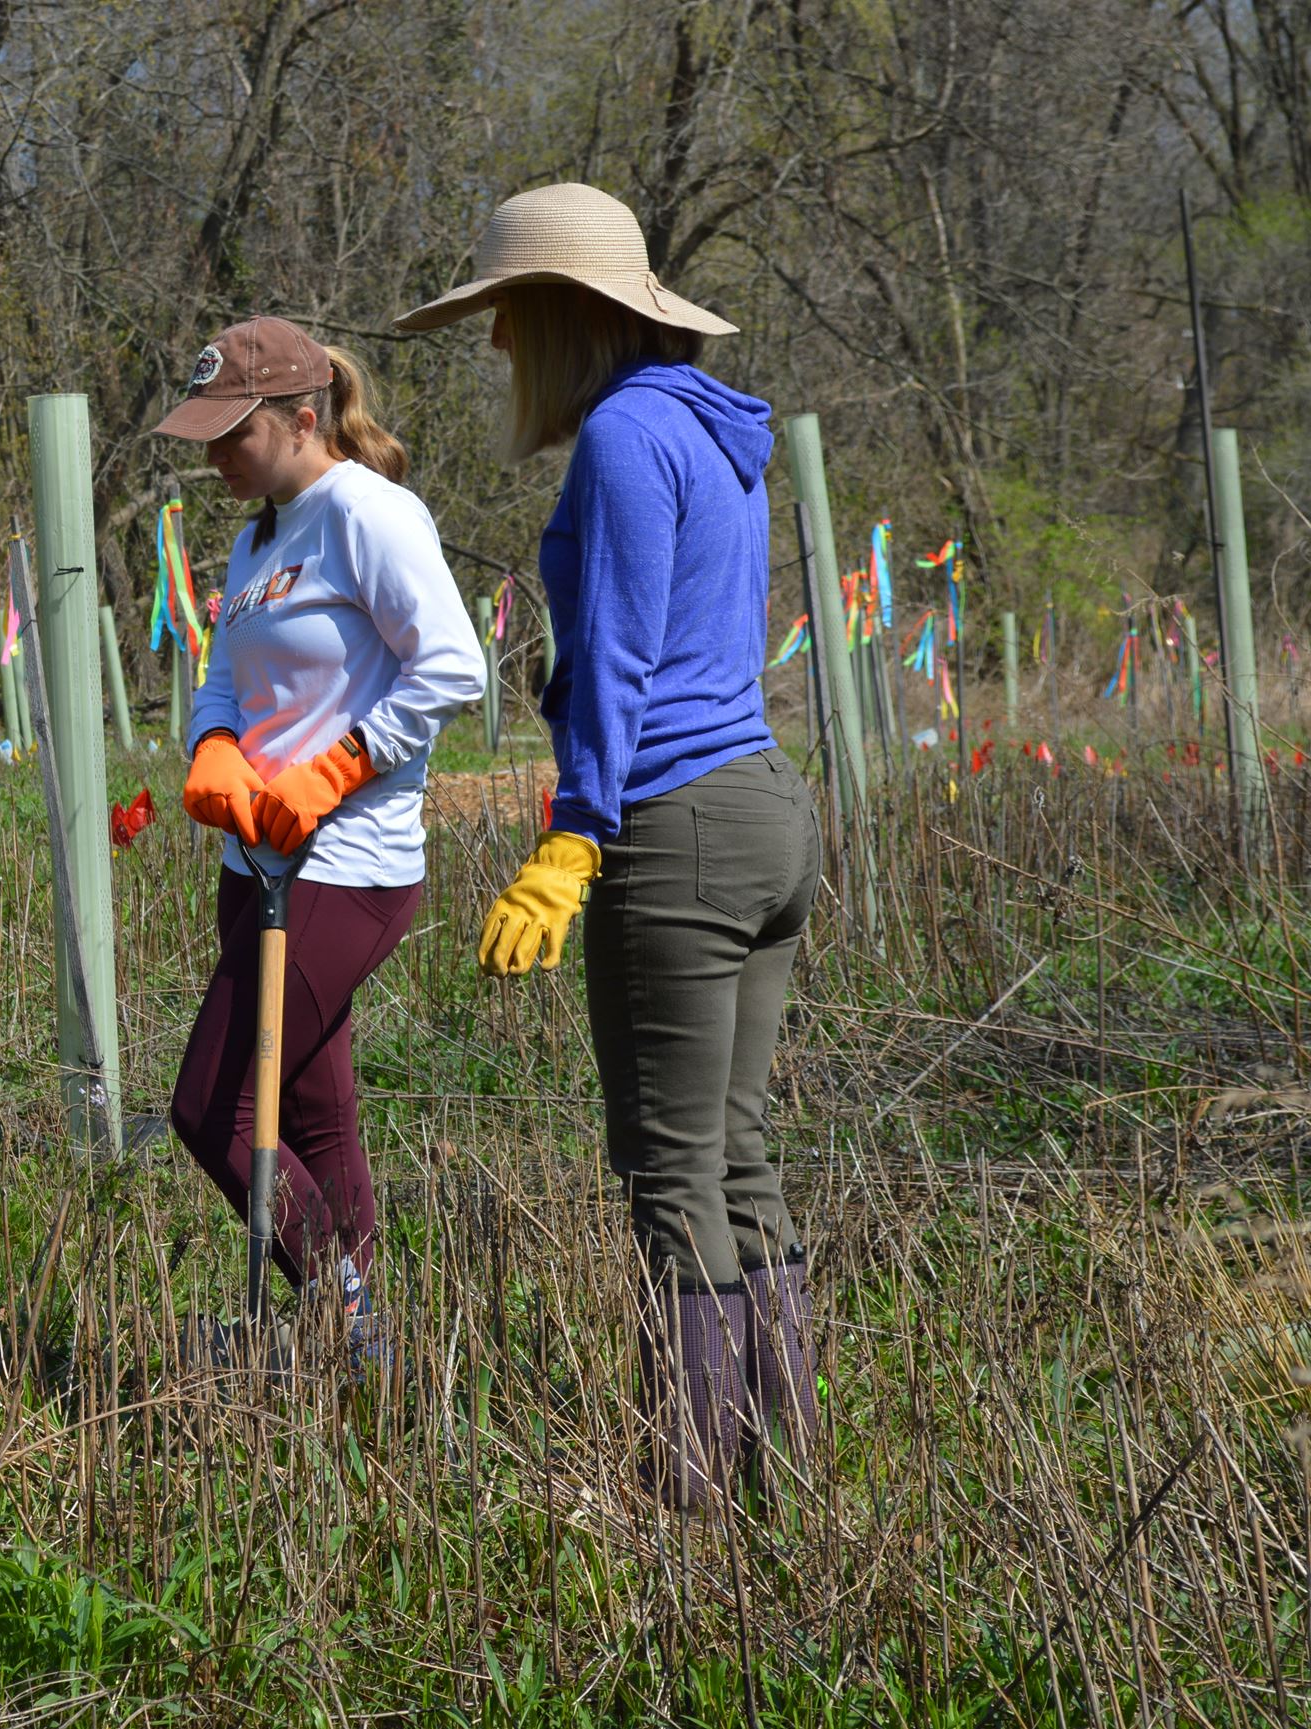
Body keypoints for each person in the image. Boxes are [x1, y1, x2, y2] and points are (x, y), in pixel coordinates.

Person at [396, 182, 822, 1506]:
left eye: (508, 316)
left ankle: (684, 1504)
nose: (494, 348)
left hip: (677, 826)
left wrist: (575, 834)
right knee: (736, 1156)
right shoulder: (711, 428)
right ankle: (785, 1488)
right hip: (762, 807)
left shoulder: (628, 437)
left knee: (670, 1170)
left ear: (568, 317)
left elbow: (629, 655)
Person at [157, 315, 485, 1361]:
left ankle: (341, 1317)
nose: (211, 454)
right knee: (313, 1111)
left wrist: (337, 765)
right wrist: (213, 744)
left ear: (301, 418)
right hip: (253, 863)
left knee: (211, 1111)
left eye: (229, 432)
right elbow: (221, 673)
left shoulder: (368, 513)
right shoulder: (257, 533)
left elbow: (452, 667)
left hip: (344, 868)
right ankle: (361, 1355)